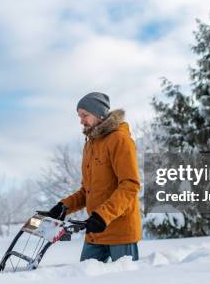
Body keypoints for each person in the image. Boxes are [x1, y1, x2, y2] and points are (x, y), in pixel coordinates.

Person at [42, 92, 141, 262]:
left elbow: (129, 185)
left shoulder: (119, 140)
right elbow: (87, 190)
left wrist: (103, 215)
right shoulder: (90, 146)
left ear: (99, 114)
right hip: (95, 232)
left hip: (120, 232)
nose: (81, 121)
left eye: (84, 115)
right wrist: (64, 206)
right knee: (83, 281)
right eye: (79, 116)